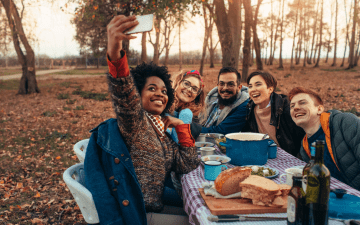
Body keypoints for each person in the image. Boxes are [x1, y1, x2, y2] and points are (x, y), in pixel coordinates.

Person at [84, 15, 200, 225]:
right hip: (137, 215)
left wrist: (182, 127)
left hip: (155, 205)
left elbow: (188, 164)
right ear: (137, 94)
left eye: (164, 91)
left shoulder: (161, 132)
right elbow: (123, 91)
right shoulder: (135, 123)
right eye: (152, 88)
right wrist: (114, 49)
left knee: (202, 211)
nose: (160, 94)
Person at [289, 87, 360, 191]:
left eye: (302, 103)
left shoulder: (345, 123)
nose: (295, 108)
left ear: (319, 109)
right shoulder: (304, 147)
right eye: (292, 106)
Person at [242, 71, 305, 157]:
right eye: (250, 86)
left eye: (258, 84)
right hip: (264, 156)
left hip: (290, 158)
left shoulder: (286, 106)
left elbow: (303, 138)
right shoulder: (249, 109)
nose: (253, 89)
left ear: (270, 89)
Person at [193, 67, 249, 134]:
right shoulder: (212, 100)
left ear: (239, 87)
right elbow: (198, 118)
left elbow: (221, 131)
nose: (225, 88)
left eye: (230, 84)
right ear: (217, 85)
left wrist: (188, 128)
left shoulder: (243, 106)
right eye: (222, 84)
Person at [167, 69, 206, 143]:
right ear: (178, 83)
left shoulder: (192, 114)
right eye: (186, 84)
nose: (189, 89)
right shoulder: (163, 102)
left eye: (194, 89)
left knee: (186, 113)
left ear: (197, 95)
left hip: (179, 149)